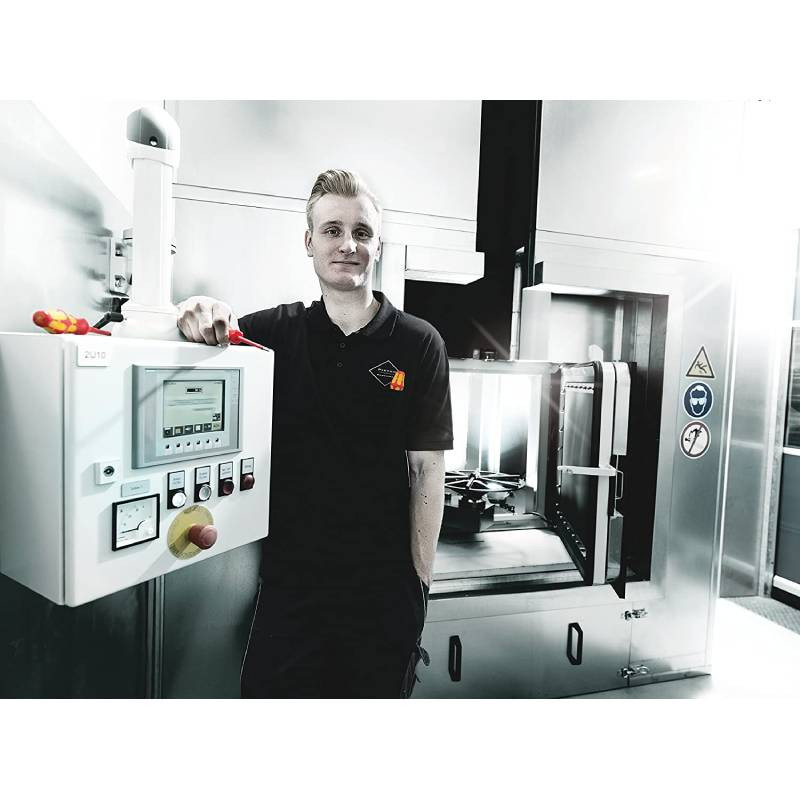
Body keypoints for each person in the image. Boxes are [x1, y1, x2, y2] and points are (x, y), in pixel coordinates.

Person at [176, 169, 453, 698]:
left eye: (362, 232)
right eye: (332, 230)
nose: (348, 244)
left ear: (377, 245)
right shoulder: (273, 333)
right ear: (309, 242)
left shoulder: (419, 343)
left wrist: (419, 586)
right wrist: (198, 311)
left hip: (382, 595)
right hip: (291, 592)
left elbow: (426, 470)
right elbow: (206, 335)